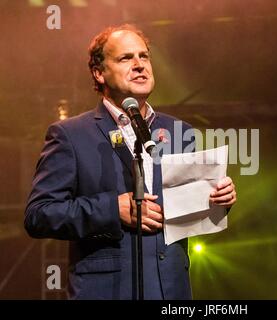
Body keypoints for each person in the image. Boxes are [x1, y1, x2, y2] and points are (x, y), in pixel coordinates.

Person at [24, 24, 236, 300]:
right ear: (99, 73)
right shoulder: (70, 135)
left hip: (171, 292)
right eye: (126, 58)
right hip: (106, 292)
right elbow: (39, 215)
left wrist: (218, 200)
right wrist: (112, 209)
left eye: (144, 56)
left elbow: (189, 213)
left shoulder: (179, 131)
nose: (139, 65)